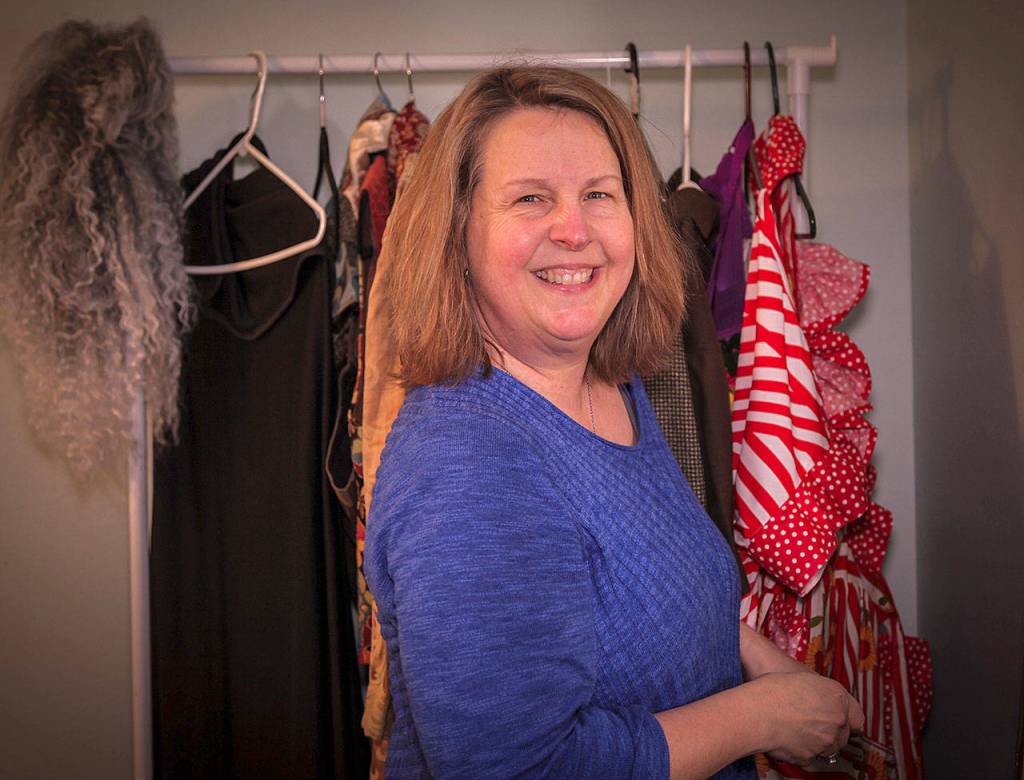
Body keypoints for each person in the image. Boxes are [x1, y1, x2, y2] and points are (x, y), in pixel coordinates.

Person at [363, 66, 863, 779]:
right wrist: (764, 717)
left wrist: (753, 657)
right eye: (530, 198)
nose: (574, 231)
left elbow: (640, 595)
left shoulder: (614, 385)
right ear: (457, 235)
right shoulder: (467, 463)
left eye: (599, 194)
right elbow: (520, 771)